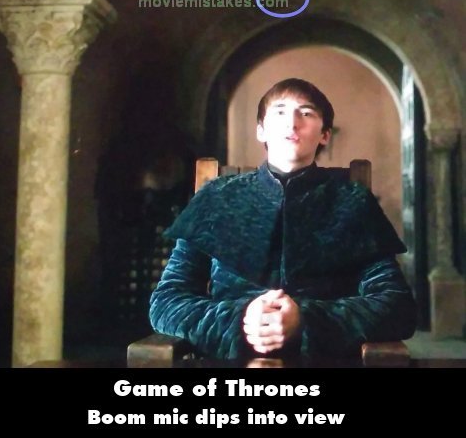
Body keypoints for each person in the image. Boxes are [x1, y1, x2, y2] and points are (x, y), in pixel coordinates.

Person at [149, 78, 416, 360]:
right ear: (261, 130)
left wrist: (305, 320)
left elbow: (397, 306)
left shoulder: (353, 202)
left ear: (325, 135)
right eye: (279, 111)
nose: (292, 122)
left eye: (306, 113)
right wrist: (241, 320)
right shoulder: (215, 198)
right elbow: (166, 302)